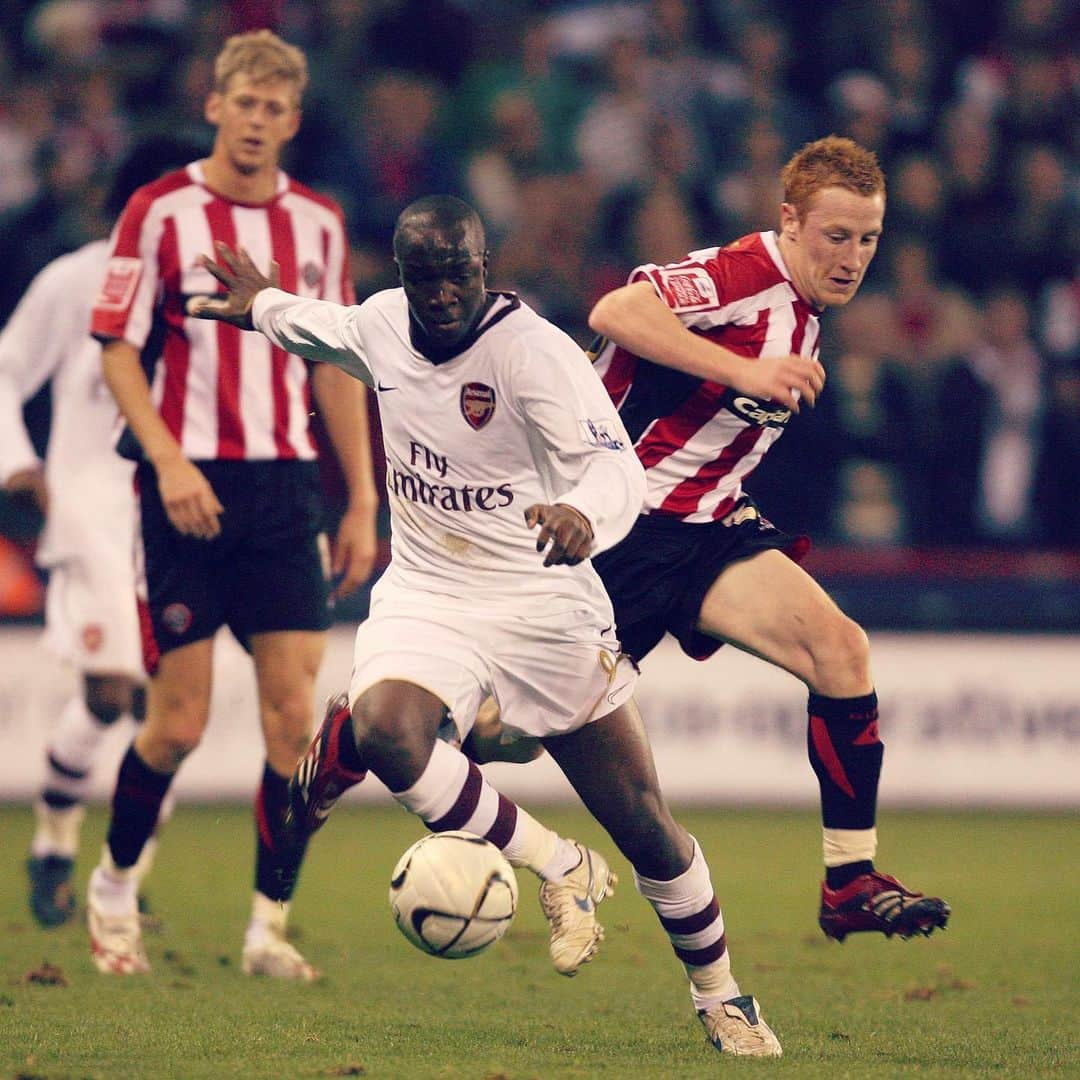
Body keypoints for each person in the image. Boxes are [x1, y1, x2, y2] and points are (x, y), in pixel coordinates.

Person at [188, 194, 785, 1056]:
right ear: (402, 276)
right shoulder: (384, 323)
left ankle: (721, 995)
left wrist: (582, 514)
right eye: (422, 278)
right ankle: (559, 865)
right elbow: (319, 327)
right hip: (429, 594)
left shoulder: (533, 353)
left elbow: (612, 466)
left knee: (645, 821)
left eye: (457, 275)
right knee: (384, 730)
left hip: (541, 599)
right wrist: (261, 306)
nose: (440, 296)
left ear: (484, 268)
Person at [581, 134, 950, 941]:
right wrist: (744, 372)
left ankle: (849, 881)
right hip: (616, 535)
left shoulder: (811, 313)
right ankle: (356, 736)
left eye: (868, 239)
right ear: (790, 221)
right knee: (499, 737)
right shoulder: (750, 273)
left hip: (707, 528)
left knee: (841, 652)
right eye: (836, 235)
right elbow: (617, 310)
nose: (853, 257)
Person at [84, 30, 379, 980]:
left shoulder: (320, 226)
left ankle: (266, 929)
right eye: (241, 104)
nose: (256, 122)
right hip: (187, 483)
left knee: (295, 725)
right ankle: (114, 892)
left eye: (274, 109)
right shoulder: (159, 209)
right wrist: (168, 462)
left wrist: (362, 499)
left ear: (292, 122)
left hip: (285, 488)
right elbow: (119, 348)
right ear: (214, 106)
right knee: (177, 723)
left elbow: (336, 363)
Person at [0, 137, 205, 928]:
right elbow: (8, 366)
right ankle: (55, 841)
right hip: (89, 507)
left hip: (180, 510)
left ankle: (122, 880)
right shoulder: (75, 280)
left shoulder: (204, 288)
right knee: (116, 692)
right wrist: (17, 460)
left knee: (172, 708)